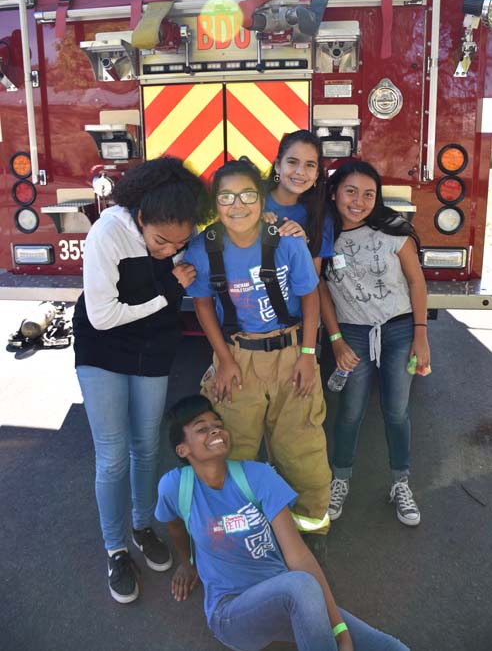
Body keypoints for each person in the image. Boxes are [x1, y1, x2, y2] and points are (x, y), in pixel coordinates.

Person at [156, 394, 410, 651]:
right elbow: (175, 524)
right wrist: (187, 563)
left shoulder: (258, 476)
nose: (215, 430)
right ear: (182, 449)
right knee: (299, 585)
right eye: (202, 429)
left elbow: (298, 555)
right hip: (231, 612)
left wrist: (340, 630)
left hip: (287, 597)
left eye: (218, 424)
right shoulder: (176, 487)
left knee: (392, 648)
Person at [73, 156, 209, 603]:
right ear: (141, 216)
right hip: (103, 348)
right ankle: (115, 547)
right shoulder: (109, 231)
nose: (170, 250)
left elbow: (234, 224)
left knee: (147, 446)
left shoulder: (179, 234)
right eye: (159, 240)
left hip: (152, 348)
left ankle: (142, 525)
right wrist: (170, 288)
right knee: (113, 456)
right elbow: (103, 315)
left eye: (180, 242)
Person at [183, 159, 332, 534]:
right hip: (238, 356)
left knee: (301, 449)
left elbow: (310, 295)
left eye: (248, 194)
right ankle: (241, 531)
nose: (238, 205)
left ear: (262, 198)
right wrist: (224, 360)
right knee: (233, 447)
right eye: (227, 197)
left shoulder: (287, 242)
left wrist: (308, 356)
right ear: (215, 204)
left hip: (290, 354)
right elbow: (203, 304)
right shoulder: (204, 248)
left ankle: (310, 526)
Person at [319, 160, 431, 526]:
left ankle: (400, 482)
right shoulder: (321, 237)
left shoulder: (393, 231)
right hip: (353, 333)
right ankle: (340, 479)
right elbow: (319, 289)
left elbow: (416, 282)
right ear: (334, 192)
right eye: (350, 191)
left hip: (398, 331)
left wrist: (420, 335)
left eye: (369, 194)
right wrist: (335, 339)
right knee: (350, 412)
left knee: (396, 411)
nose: (359, 201)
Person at [265, 129, 334, 271]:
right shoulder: (251, 202)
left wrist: (302, 247)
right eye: (292, 162)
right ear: (278, 166)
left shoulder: (321, 216)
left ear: (316, 174)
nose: (300, 172)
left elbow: (313, 279)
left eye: (309, 165)